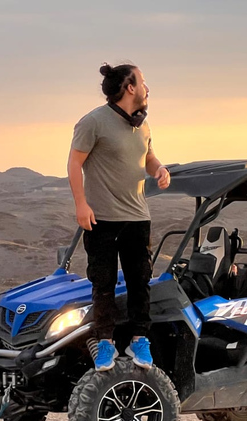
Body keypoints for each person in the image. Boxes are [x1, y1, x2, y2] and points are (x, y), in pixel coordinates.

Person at [67, 62, 170, 371]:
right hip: (102, 220)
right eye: (143, 82)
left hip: (138, 218)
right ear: (130, 87)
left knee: (141, 282)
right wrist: (81, 205)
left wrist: (160, 170)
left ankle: (141, 341)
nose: (148, 88)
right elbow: (74, 164)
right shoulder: (93, 123)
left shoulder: (144, 125)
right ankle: (105, 344)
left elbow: (148, 158)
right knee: (104, 285)